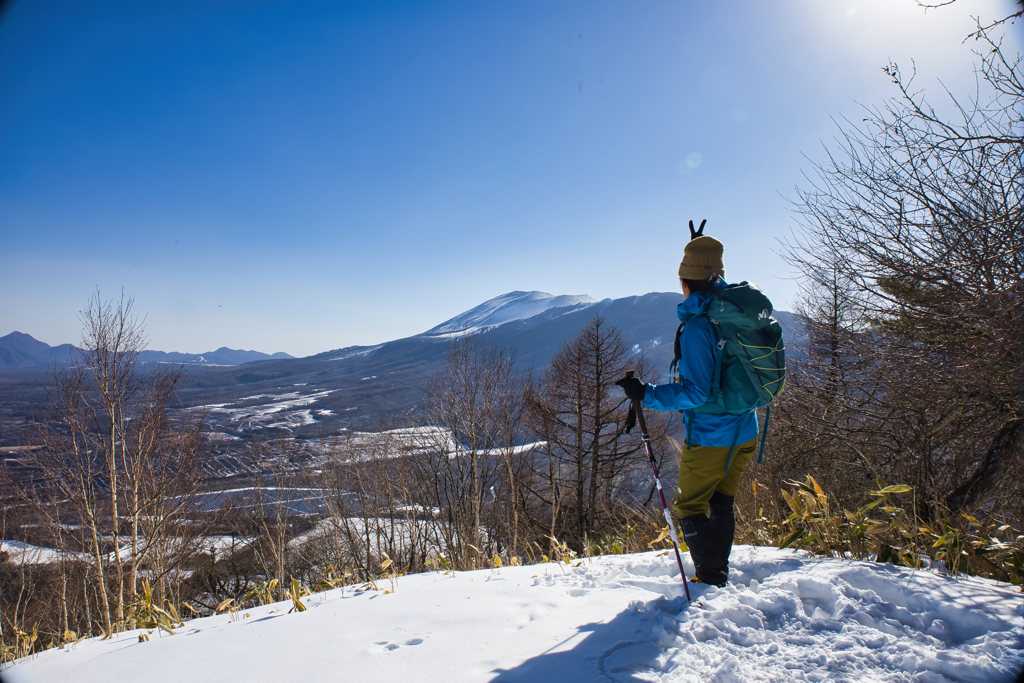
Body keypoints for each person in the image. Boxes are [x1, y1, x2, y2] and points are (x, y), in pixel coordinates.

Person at [615, 234, 758, 587]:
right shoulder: (735, 312)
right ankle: (718, 573)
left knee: (690, 507)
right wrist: (701, 251)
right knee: (722, 501)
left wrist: (646, 394)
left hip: (711, 435)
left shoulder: (698, 326)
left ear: (684, 282)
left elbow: (695, 392)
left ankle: (710, 580)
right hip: (746, 428)